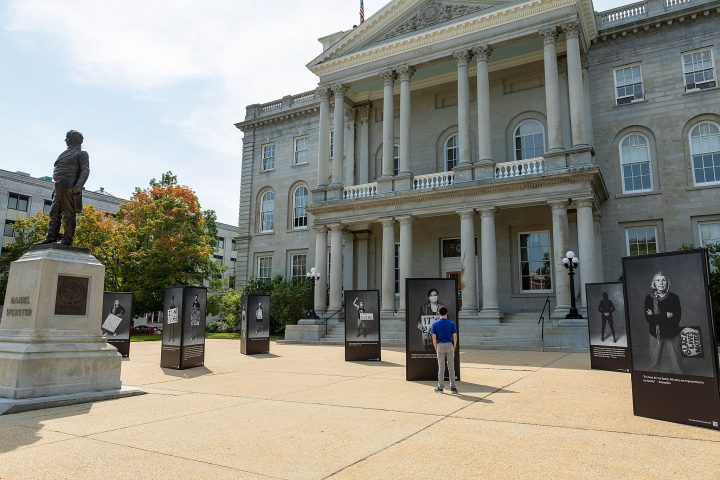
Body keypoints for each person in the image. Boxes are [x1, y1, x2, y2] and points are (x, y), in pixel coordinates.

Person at [38, 130, 90, 246]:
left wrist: (78, 186)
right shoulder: (65, 153)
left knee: (68, 213)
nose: (65, 140)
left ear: (74, 139)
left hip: (70, 186)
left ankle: (67, 240)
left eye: (67, 137)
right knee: (54, 212)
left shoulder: (81, 153)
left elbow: (85, 170)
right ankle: (51, 237)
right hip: (58, 186)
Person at [644, 272, 684, 374]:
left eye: (663, 280)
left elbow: (676, 319)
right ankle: (655, 380)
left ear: (667, 283)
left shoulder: (674, 298)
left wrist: (656, 317)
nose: (661, 282)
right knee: (654, 362)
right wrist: (666, 315)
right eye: (658, 280)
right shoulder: (649, 298)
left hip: (672, 333)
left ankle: (681, 380)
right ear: (654, 283)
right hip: (655, 334)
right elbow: (649, 319)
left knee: (677, 363)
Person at [431, 306, 458, 394]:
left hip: (440, 345)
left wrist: (436, 348)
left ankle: (440, 387)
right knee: (451, 367)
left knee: (441, 367)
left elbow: (434, 338)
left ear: (439, 314)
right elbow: (454, 336)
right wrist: (453, 347)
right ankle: (453, 388)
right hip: (449, 344)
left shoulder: (435, 324)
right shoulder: (451, 323)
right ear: (447, 313)